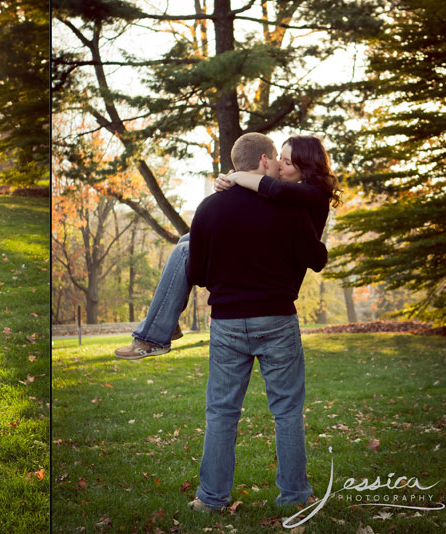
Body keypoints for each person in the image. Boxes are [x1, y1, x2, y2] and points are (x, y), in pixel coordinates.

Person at [184, 133, 328, 512]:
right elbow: (313, 257)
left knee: (222, 412)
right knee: (286, 411)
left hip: (228, 321)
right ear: (265, 161)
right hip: (277, 318)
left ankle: (211, 499)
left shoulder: (209, 208)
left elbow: (195, 272)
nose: (282, 166)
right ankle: (295, 497)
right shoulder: (290, 208)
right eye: (278, 159)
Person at [114, 134, 341, 360]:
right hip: (270, 275)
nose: (279, 165)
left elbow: (275, 190)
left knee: (185, 250)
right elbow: (269, 191)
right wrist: (233, 180)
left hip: (281, 284)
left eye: (287, 162)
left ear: (307, 167)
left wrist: (239, 177)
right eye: (279, 157)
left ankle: (153, 337)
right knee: (186, 240)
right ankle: (167, 322)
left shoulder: (312, 194)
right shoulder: (293, 192)